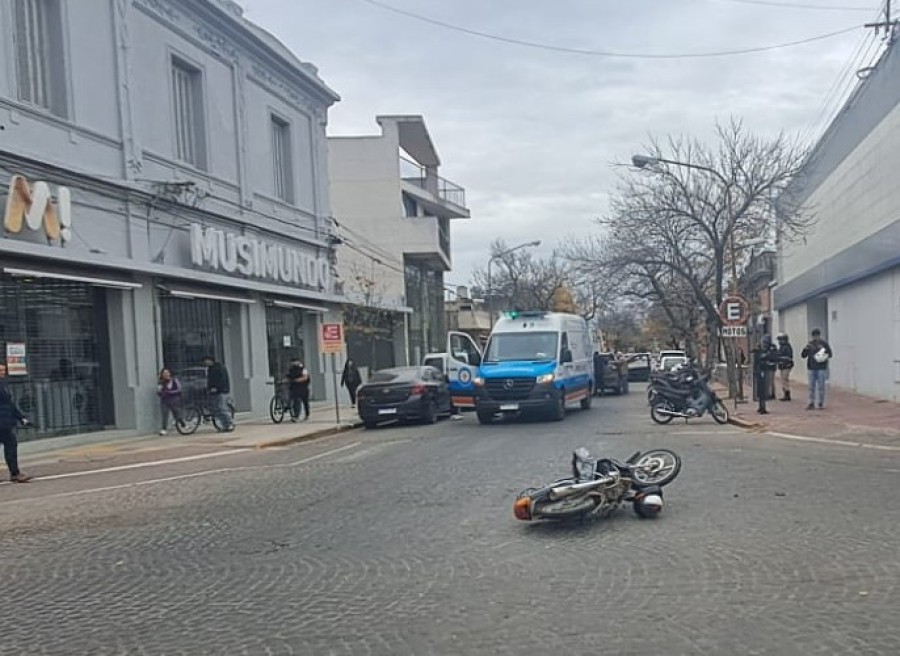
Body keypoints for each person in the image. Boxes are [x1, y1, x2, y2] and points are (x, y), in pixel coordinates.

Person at [0, 362, 33, 483]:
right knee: (11, 444)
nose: (3, 373)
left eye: (4, 371)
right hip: (2, 422)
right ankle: (15, 473)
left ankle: (15, 473)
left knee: (11, 444)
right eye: (0, 371)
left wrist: (21, 418)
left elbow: (10, 405)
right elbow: (8, 404)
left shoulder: (3, 385)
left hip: (5, 421)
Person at [800, 328, 833, 410]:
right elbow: (803, 355)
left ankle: (821, 402)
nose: (815, 338)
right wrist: (805, 349)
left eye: (816, 336)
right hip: (811, 368)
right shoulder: (810, 344)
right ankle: (811, 402)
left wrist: (823, 353)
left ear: (819, 335)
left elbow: (830, 354)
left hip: (821, 368)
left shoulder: (824, 344)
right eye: (814, 336)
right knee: (811, 386)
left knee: (821, 386)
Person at [202, 355, 233, 432]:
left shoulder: (219, 367)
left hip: (221, 391)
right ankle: (224, 426)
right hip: (213, 391)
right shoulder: (210, 369)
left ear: (210, 360)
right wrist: (209, 388)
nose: (205, 363)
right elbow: (209, 380)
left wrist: (217, 387)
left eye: (206, 361)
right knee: (215, 410)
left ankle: (230, 424)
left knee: (221, 408)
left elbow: (223, 379)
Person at [752, 335, 779, 415]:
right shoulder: (758, 350)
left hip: (768, 370)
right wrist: (755, 371)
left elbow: (774, 357)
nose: (764, 344)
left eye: (766, 342)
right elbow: (756, 361)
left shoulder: (772, 348)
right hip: (759, 371)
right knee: (760, 390)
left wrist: (768, 356)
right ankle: (761, 407)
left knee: (765, 390)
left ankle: (763, 406)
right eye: (763, 342)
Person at [157, 367, 183, 435]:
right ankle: (164, 429)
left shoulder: (174, 380)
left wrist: (171, 392)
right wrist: (161, 392)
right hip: (165, 400)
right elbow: (159, 391)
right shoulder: (161, 382)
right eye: (164, 373)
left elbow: (179, 389)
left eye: (167, 373)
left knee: (176, 413)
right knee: (165, 414)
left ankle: (182, 423)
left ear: (170, 373)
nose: (166, 374)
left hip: (174, 399)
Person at [286, 355, 310, 422]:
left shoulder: (303, 368)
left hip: (303, 388)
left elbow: (305, 377)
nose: (293, 363)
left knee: (305, 402)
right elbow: (289, 376)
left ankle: (307, 414)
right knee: (296, 401)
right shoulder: (291, 369)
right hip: (294, 388)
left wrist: (296, 380)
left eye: (294, 362)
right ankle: (296, 416)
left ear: (298, 362)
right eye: (292, 362)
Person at [776, 333, 795, 401]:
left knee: (785, 379)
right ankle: (785, 393)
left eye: (780, 340)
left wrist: (780, 358)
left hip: (786, 366)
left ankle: (787, 394)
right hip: (782, 366)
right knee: (783, 380)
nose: (779, 341)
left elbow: (788, 357)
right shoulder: (781, 347)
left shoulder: (787, 347)